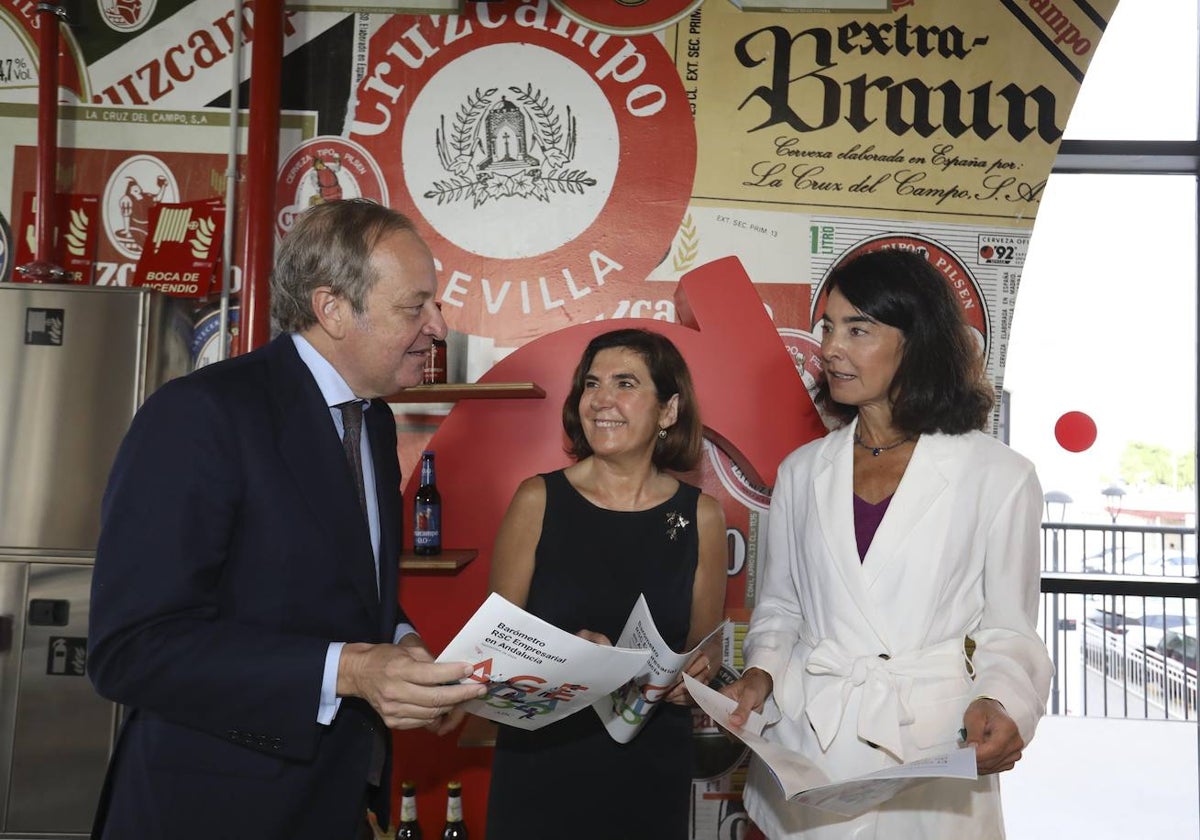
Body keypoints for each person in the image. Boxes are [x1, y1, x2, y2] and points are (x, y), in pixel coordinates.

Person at [87, 199, 487, 839]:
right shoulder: (202, 415)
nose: (437, 327)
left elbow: (348, 591)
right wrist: (354, 671)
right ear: (333, 309)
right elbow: (130, 650)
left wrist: (405, 649)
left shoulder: (373, 420)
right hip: (208, 812)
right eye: (415, 307)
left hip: (328, 804)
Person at [722, 249, 1053, 839]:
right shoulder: (801, 470)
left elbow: (1009, 627)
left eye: (858, 329)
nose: (829, 348)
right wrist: (763, 673)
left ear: (917, 341)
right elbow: (781, 606)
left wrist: (1001, 700)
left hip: (930, 747)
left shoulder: (999, 475)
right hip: (812, 745)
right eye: (828, 327)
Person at [485, 328, 727, 839]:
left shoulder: (701, 515)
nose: (601, 401)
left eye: (625, 383)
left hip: (650, 766)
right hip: (542, 763)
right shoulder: (538, 500)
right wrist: (570, 658)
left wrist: (696, 678)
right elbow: (494, 651)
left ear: (668, 410)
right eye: (591, 384)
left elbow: (707, 651)